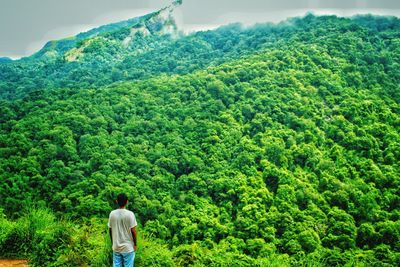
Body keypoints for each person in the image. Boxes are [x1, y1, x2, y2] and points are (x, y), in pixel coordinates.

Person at [108, 193, 138, 267]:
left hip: (116, 247)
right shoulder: (130, 214)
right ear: (127, 202)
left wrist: (113, 243)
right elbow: (133, 231)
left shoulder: (112, 214)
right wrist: (135, 244)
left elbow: (110, 230)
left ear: (117, 201)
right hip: (128, 248)